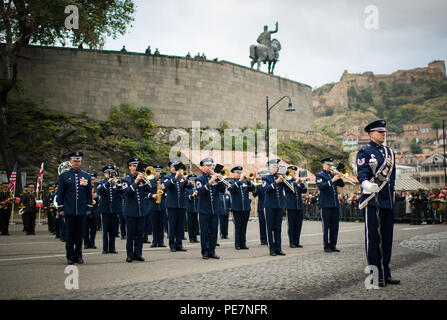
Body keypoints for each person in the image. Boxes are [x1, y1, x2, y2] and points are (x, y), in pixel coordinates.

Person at [356, 119, 400, 287]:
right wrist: (365, 184)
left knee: (387, 240)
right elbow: (362, 172)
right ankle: (374, 277)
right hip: (373, 201)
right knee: (373, 240)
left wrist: (392, 197)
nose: (383, 134)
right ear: (371, 133)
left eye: (384, 132)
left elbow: (392, 178)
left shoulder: (389, 152)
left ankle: (386, 273)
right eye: (380, 132)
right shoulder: (365, 151)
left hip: (387, 201)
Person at [57, 151, 93, 264]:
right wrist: (61, 208)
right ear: (70, 161)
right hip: (69, 210)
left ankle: (78, 255)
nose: (77, 162)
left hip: (82, 210)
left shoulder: (86, 176)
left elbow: (88, 194)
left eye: (78, 160)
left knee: (80, 234)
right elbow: (60, 193)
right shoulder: (64, 176)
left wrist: (89, 207)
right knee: (70, 235)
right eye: (74, 160)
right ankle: (70, 256)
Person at [195, 158, 226, 259]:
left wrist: (219, 179)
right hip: (204, 209)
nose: (209, 167)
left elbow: (222, 190)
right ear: (203, 167)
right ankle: (204, 251)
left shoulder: (216, 177)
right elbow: (200, 192)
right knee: (204, 232)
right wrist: (211, 181)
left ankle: (212, 251)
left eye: (210, 165)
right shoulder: (199, 179)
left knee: (214, 231)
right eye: (207, 166)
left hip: (215, 209)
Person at [122, 157, 150, 262]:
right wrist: (137, 181)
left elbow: (148, 189)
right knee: (130, 234)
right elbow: (127, 193)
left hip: (141, 211)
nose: (136, 167)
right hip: (130, 211)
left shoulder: (143, 179)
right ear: (130, 167)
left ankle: (138, 254)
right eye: (134, 166)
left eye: (137, 166)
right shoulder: (125, 180)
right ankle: (129, 255)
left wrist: (144, 179)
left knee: (140, 234)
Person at [316, 158, 345, 253]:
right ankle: (326, 245)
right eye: (328, 165)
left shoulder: (333, 174)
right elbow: (321, 186)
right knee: (326, 226)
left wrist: (338, 176)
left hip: (335, 204)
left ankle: (333, 245)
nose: (330, 167)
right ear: (323, 165)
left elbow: (342, 184)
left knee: (335, 226)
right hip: (325, 205)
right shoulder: (320, 175)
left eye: (331, 165)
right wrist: (332, 180)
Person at [163, 160, 192, 252]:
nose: (174, 169)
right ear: (170, 168)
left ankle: (179, 244)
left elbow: (190, 186)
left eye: (176, 167)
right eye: (173, 167)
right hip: (172, 205)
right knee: (172, 225)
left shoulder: (182, 177)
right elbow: (167, 185)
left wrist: (185, 178)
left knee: (180, 225)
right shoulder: (167, 177)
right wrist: (175, 176)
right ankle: (172, 244)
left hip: (182, 205)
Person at [262, 159, 286, 256]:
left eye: (277, 167)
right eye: (274, 166)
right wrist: (276, 182)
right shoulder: (265, 178)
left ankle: (278, 248)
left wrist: (284, 179)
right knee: (270, 228)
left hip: (279, 205)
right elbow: (266, 189)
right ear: (269, 168)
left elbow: (288, 189)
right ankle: (271, 249)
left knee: (278, 228)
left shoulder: (280, 177)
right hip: (269, 206)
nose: (276, 168)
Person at [96, 165, 123, 254]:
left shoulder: (116, 183)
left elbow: (122, 194)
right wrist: (108, 182)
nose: (110, 175)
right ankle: (105, 248)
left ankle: (112, 248)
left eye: (112, 173)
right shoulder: (101, 182)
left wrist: (118, 185)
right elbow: (99, 191)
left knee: (113, 230)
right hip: (105, 209)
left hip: (114, 209)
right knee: (105, 230)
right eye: (108, 173)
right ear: (105, 174)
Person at [228, 166, 254, 250]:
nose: (239, 174)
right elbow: (231, 189)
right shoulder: (231, 182)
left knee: (244, 227)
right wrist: (239, 180)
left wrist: (249, 181)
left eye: (240, 173)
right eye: (237, 173)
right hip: (236, 208)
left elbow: (252, 189)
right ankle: (237, 244)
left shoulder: (244, 181)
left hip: (246, 208)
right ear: (233, 173)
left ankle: (243, 243)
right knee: (238, 227)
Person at [284, 166, 307, 248]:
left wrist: (301, 183)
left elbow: (304, 190)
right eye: (293, 172)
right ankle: (292, 242)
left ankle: (297, 241)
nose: (294, 174)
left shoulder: (296, 181)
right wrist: (297, 181)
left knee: (298, 225)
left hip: (299, 206)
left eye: (295, 172)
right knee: (291, 225)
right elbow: (290, 189)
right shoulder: (286, 181)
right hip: (291, 206)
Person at [147, 165, 167, 247]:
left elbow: (167, 193)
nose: (157, 173)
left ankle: (161, 241)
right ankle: (155, 241)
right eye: (156, 171)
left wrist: (164, 189)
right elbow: (146, 192)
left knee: (161, 225)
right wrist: (152, 195)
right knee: (154, 225)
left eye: (159, 171)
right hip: (153, 205)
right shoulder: (150, 181)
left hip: (162, 205)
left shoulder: (163, 181)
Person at [84, 172, 99, 249]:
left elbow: (101, 196)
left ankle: (92, 242)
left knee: (94, 228)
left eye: (93, 180)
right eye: (91, 180)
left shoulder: (97, 187)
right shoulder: (85, 186)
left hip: (95, 209)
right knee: (86, 228)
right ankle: (86, 243)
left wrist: (97, 196)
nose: (92, 181)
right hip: (86, 209)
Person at [253, 171, 268, 245]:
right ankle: (263, 239)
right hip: (261, 207)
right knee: (262, 224)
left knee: (269, 224)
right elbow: (254, 194)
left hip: (269, 207)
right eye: (262, 176)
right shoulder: (259, 185)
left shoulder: (269, 184)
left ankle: (268, 238)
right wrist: (254, 188)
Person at [186, 174, 200, 243]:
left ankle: (195, 237)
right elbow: (186, 197)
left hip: (196, 208)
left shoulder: (197, 188)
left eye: (194, 180)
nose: (193, 181)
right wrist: (192, 195)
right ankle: (191, 238)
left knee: (195, 223)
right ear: (189, 180)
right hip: (190, 208)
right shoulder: (187, 188)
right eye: (191, 180)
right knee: (190, 224)